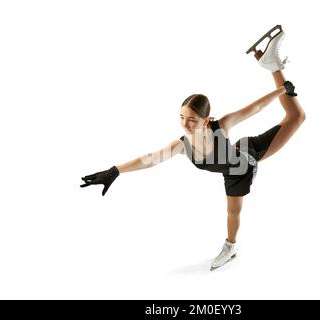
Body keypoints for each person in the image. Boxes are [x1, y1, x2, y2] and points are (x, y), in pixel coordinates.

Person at [80, 25, 306, 271]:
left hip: (246, 162)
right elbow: (150, 159)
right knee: (294, 118)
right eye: (181, 117)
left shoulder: (221, 126)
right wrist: (115, 170)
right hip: (238, 158)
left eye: (192, 120)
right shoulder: (182, 145)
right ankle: (272, 64)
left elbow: (254, 109)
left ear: (206, 120)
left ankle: (274, 66)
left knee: (296, 116)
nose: (185, 124)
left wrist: (282, 90)